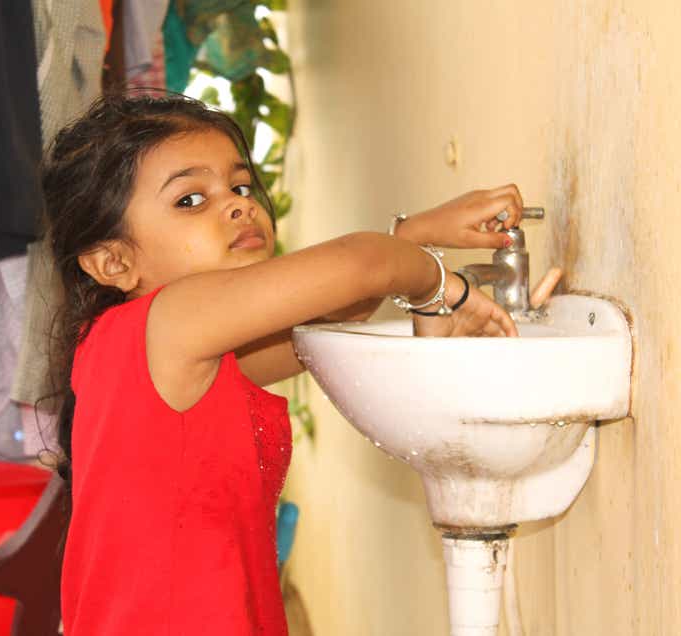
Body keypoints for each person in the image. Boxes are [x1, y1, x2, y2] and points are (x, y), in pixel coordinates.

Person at [43, 92, 524, 635]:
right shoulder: (168, 322)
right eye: (190, 200)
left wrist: (408, 242)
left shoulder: (159, 354)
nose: (238, 205)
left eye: (241, 186)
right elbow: (361, 267)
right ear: (113, 262)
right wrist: (441, 286)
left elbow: (319, 326)